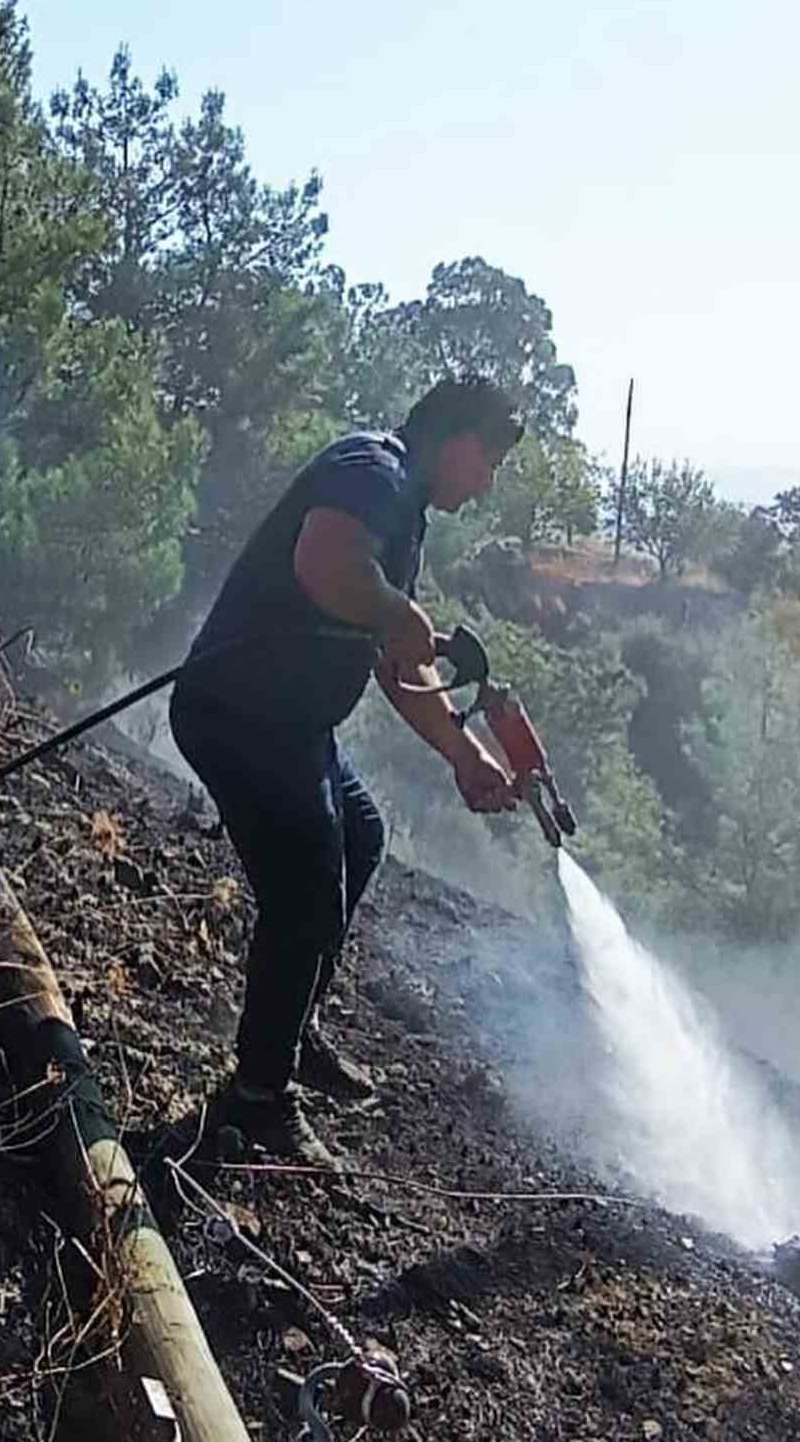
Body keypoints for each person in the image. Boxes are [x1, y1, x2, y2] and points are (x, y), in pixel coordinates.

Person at [169, 379, 524, 1169]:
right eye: (489, 462)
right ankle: (259, 1099)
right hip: (239, 714)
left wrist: (467, 758)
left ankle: (290, 1028)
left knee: (358, 836)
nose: (486, 482)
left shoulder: (402, 514)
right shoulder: (373, 470)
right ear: (458, 440)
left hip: (292, 726)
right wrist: (405, 618)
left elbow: (395, 665)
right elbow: (325, 562)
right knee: (303, 896)